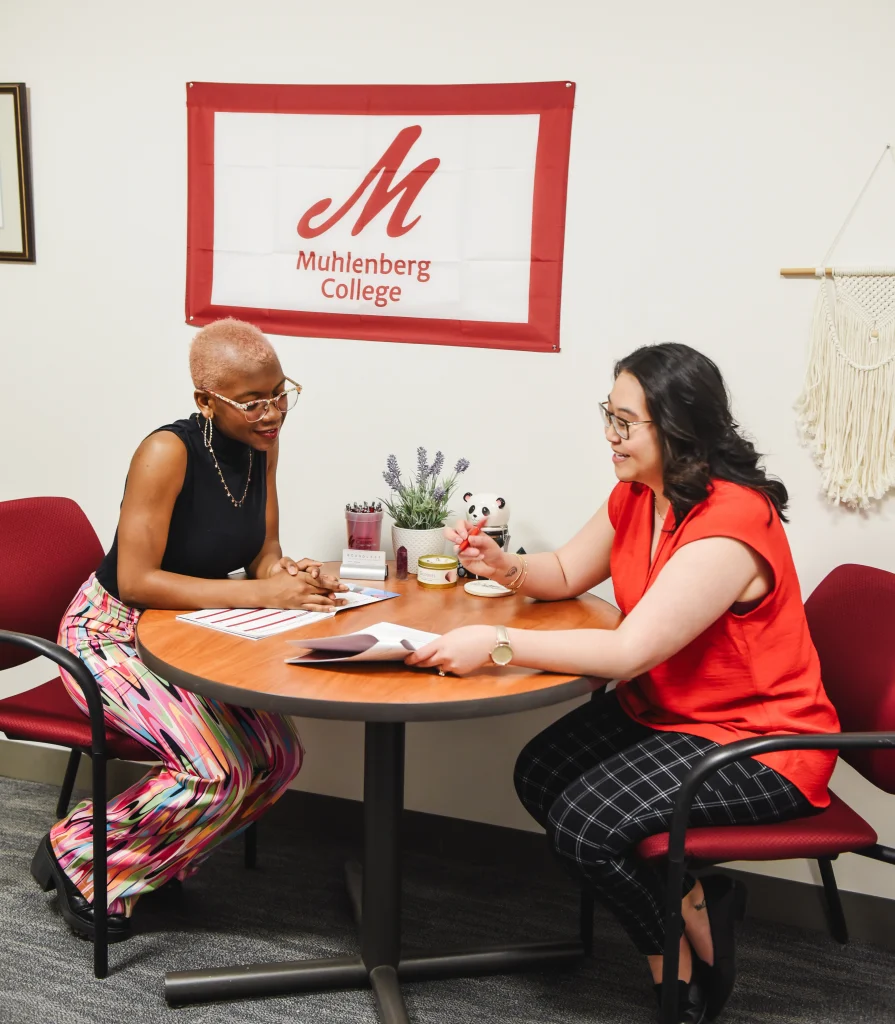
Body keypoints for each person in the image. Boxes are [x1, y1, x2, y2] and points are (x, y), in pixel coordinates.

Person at [406, 343, 840, 1023]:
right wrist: (500, 565)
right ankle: (694, 894)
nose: (608, 434)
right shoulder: (639, 494)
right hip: (672, 713)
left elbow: (631, 650)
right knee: (539, 773)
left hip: (762, 743)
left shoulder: (728, 525)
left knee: (584, 828)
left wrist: (496, 643)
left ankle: (674, 965)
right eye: (606, 414)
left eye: (624, 422)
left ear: (677, 427)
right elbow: (564, 571)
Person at [31, 318, 347, 943]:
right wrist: (261, 592)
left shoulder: (264, 443)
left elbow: (262, 553)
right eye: (251, 401)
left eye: (280, 392)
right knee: (216, 769)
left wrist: (289, 576)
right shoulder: (166, 452)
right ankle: (80, 853)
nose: (272, 413)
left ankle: (152, 862)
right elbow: (139, 577)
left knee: (279, 758)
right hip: (110, 632)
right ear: (205, 400)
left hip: (186, 626)